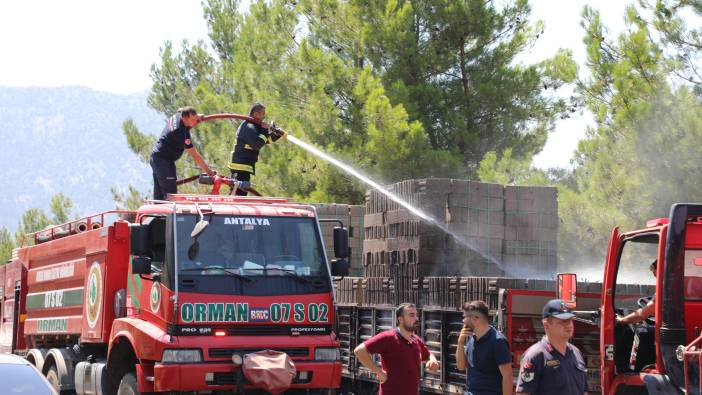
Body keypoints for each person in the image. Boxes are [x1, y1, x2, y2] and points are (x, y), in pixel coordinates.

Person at [354, 303, 440, 395]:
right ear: (400, 319)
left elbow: (427, 355)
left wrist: (432, 359)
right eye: (411, 315)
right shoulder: (388, 337)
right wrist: (378, 372)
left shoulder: (416, 340)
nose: (416, 319)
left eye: (416, 315)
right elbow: (359, 351)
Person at [515, 299, 587, 395]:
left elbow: (583, 391)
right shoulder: (535, 356)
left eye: (570, 320)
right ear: (546, 325)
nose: (569, 325)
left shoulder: (576, 352)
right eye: (563, 321)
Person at [150, 106, 214, 200]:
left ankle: (158, 213)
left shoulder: (178, 114)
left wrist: (197, 116)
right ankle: (168, 213)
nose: (195, 122)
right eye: (193, 120)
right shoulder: (181, 133)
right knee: (171, 194)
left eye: (196, 119)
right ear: (184, 118)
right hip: (162, 162)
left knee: (159, 193)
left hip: (157, 158)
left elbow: (181, 109)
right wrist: (209, 172)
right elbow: (195, 156)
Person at [228, 103, 286, 196]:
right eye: (261, 114)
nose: (263, 116)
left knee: (240, 194)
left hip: (244, 166)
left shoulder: (255, 126)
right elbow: (257, 144)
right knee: (238, 195)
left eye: (263, 114)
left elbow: (265, 141)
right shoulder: (248, 127)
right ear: (255, 113)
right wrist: (265, 130)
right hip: (239, 167)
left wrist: (276, 134)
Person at [455, 300, 512, 395]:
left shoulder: (498, 341)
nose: (463, 321)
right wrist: (460, 342)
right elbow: (461, 366)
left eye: (464, 317)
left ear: (474, 318)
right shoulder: (471, 339)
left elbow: (508, 376)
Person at [617, 259, 656, 325]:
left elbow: (641, 315)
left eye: (656, 275)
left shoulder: (666, 290)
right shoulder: (674, 286)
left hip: (668, 331)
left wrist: (621, 320)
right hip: (674, 327)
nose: (656, 278)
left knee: (641, 332)